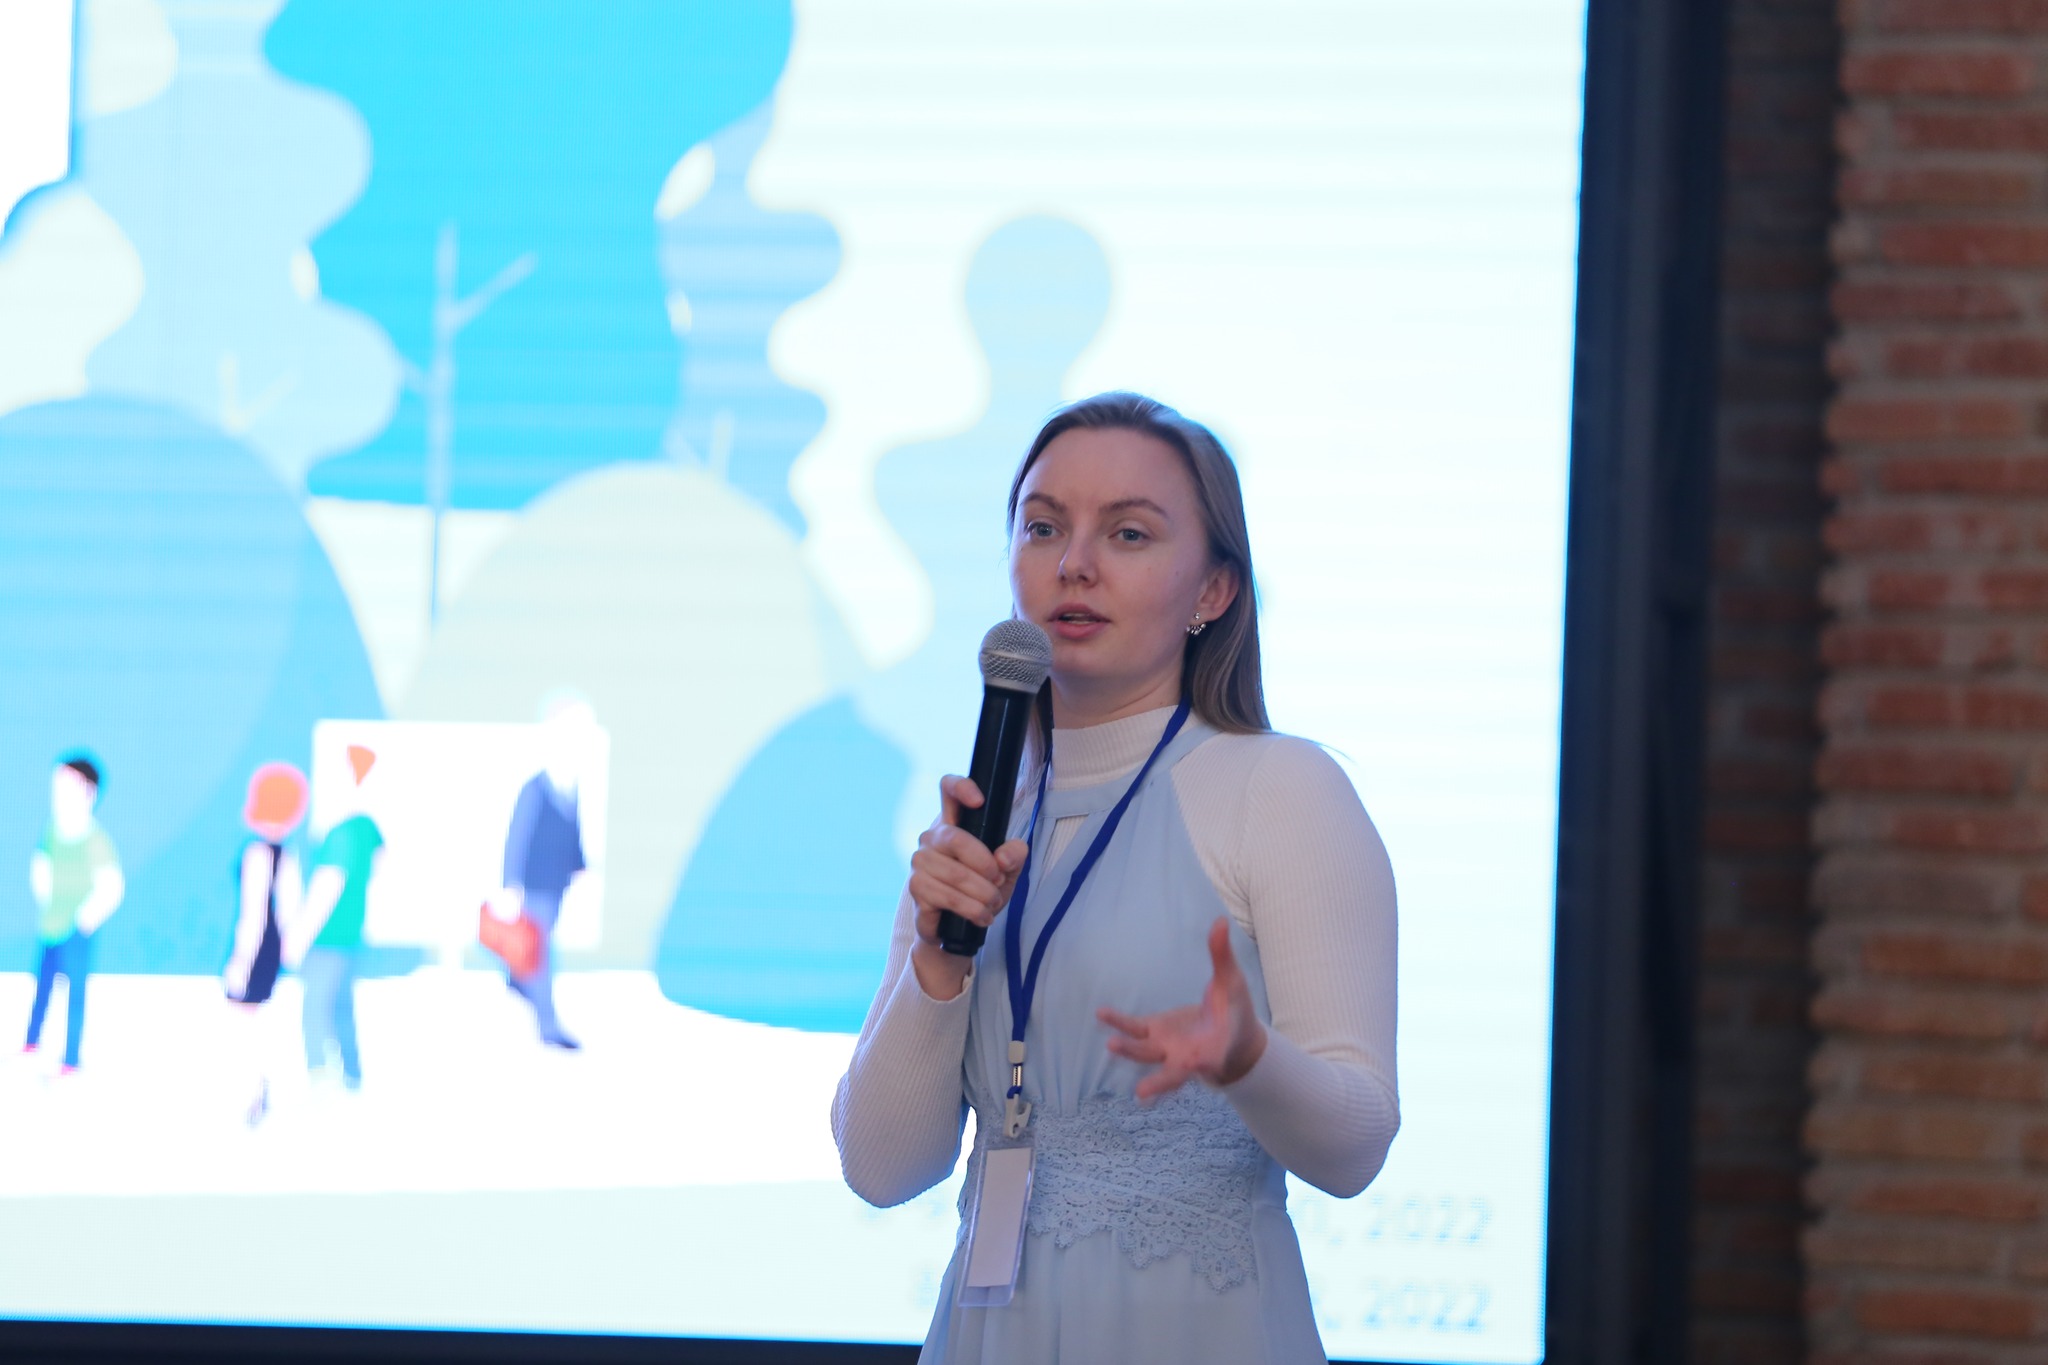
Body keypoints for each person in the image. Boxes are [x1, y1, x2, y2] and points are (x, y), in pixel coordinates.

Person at [833, 393, 1399, 1363]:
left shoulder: (1281, 789)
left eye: (1127, 533)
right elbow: (882, 1169)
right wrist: (937, 965)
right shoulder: (977, 824)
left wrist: (1248, 1059)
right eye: (1042, 527)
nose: (1074, 564)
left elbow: (1357, 1148)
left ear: (1213, 590)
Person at [491, 696, 597, 1050]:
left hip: (556, 887)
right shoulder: (536, 787)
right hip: (534, 886)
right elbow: (518, 837)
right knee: (539, 954)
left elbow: (570, 833)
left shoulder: (570, 784)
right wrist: (510, 884)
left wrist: (580, 867)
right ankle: (547, 1025)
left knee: (536, 952)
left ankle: (518, 984)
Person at [289, 744, 384, 1091]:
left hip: (327, 937)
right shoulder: (366, 828)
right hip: (352, 934)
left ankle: (320, 1075)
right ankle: (352, 1073)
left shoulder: (341, 834)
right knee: (342, 1006)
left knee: (316, 1007)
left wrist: (297, 940)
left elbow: (326, 889)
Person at [22, 753, 124, 1075]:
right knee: (43, 985)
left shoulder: (95, 840)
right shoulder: (53, 830)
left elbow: (112, 886)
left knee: (74, 992)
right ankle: (31, 1043)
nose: (60, 793)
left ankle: (70, 1059)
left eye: (68, 785)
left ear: (89, 792)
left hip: (77, 929)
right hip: (51, 923)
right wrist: (46, 896)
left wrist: (85, 918)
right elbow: (41, 862)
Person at [223, 762, 309, 1125]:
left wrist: (241, 960)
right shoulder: (287, 854)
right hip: (271, 948)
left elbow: (254, 912)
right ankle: (257, 1091)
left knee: (244, 1023)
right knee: (253, 1021)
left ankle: (252, 1094)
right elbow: (289, 910)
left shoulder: (257, 852)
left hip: (256, 948)